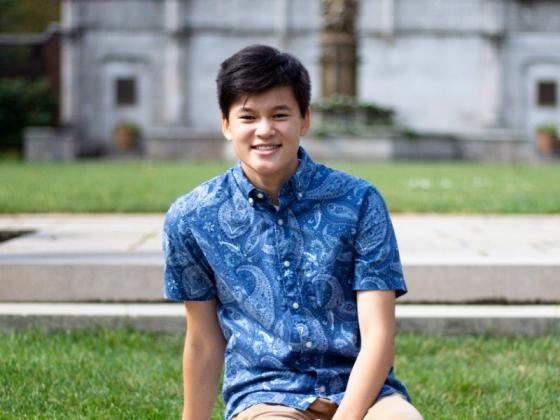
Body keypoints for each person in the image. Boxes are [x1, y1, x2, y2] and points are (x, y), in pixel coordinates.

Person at [163, 44, 423, 420]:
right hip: (266, 396)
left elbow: (379, 334)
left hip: (365, 393)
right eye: (248, 116)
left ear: (304, 120)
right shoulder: (192, 217)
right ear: (226, 124)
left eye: (279, 115)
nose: (264, 130)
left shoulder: (359, 201)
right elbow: (203, 342)